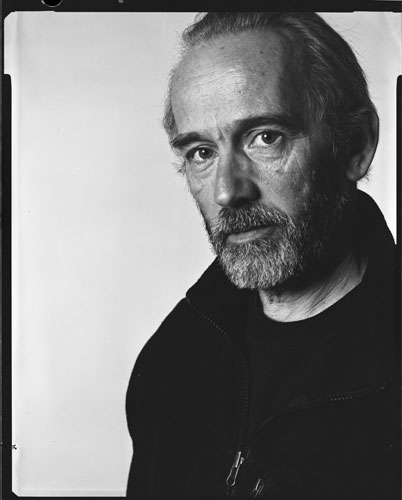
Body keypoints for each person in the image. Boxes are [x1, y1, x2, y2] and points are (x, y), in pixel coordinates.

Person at [126, 12, 400, 499]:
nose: (227, 191)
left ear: (356, 146)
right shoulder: (170, 365)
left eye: (265, 137)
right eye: (201, 152)